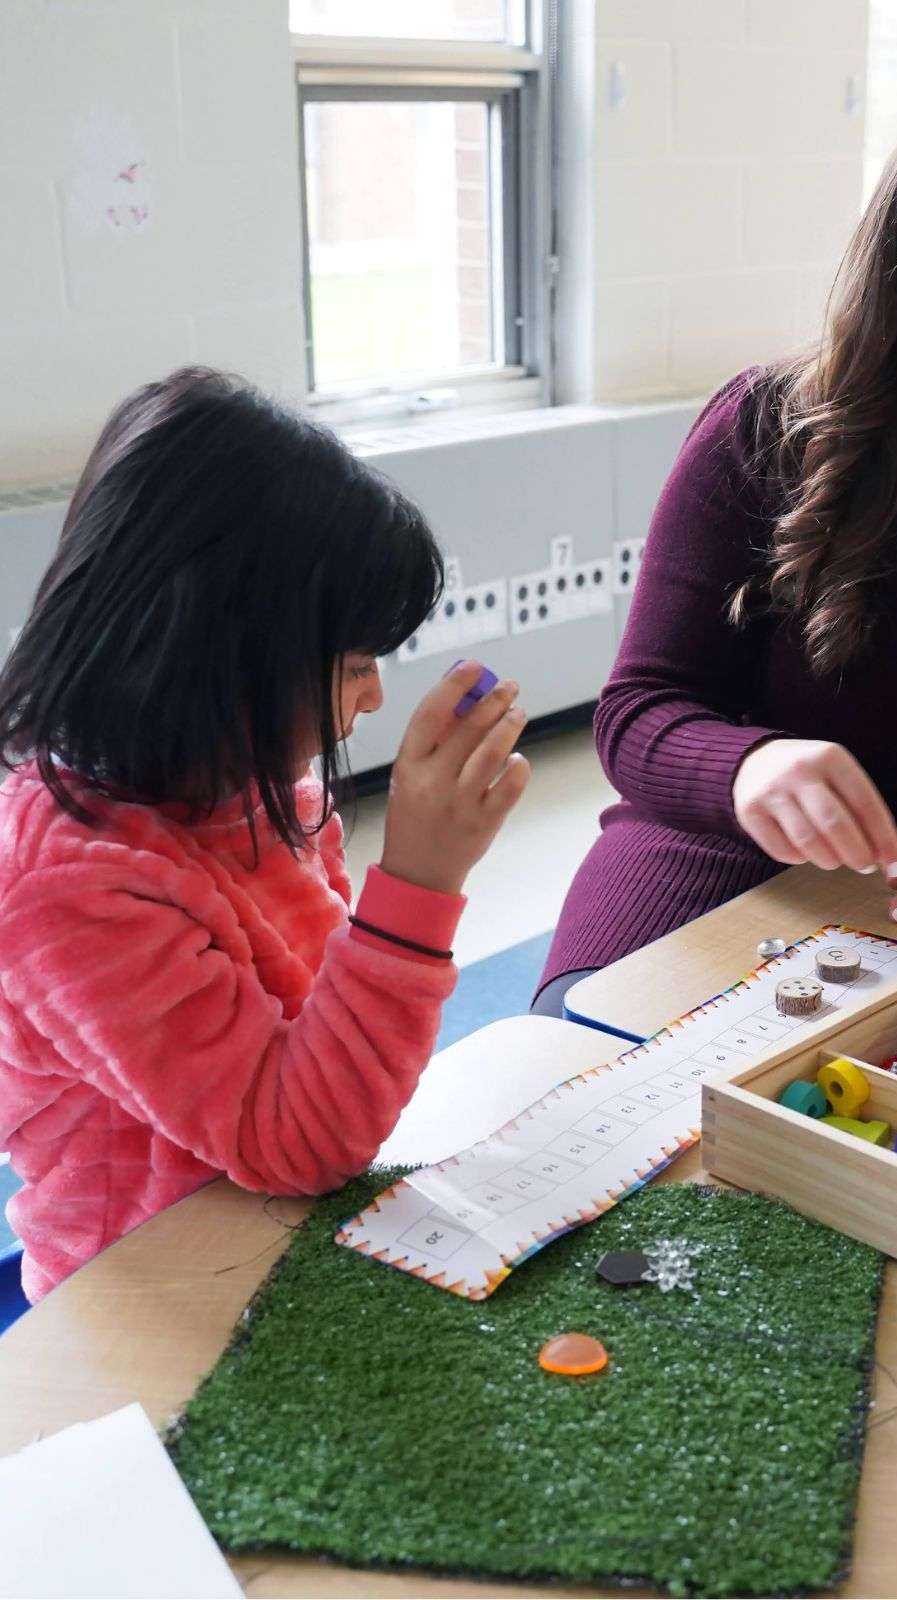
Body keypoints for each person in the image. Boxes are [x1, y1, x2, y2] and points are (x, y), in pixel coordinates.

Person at [535, 50, 897, 1018]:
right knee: (580, 1074)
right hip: (723, 860)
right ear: (896, 268)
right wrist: (747, 767)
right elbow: (637, 712)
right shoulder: (764, 426)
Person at [0, 367, 530, 1300]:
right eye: (355, 664)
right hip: (157, 1297)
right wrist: (419, 884)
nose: (371, 695)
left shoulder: (241, 783)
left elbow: (322, 1045)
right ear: (217, 653)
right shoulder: (69, 891)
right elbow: (299, 1140)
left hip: (288, 1238)